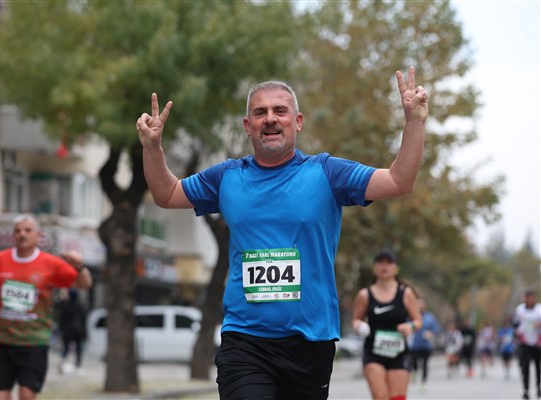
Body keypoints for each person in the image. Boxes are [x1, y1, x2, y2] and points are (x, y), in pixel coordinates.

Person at [136, 66, 428, 400]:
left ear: (298, 121)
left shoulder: (327, 173)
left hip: (310, 342)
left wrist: (414, 122)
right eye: (260, 112)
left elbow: (399, 181)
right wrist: (152, 148)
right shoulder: (226, 177)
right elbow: (167, 194)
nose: (270, 119)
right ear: (248, 125)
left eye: (280, 110)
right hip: (245, 339)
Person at [0, 214, 93, 400]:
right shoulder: (0, 259)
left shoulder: (51, 263)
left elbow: (84, 284)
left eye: (27, 230)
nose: (22, 234)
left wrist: (80, 266)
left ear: (39, 235)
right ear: (13, 235)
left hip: (34, 341)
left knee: (26, 395)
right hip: (1, 339)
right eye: (18, 231)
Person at [352, 251, 422, 400]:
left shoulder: (406, 293)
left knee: (397, 398)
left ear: (396, 268)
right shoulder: (365, 294)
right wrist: (359, 326)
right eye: (381, 262)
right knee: (380, 397)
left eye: (389, 263)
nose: (385, 266)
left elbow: (418, 321)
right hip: (373, 353)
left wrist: (410, 326)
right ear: (375, 267)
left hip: (399, 352)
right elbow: (356, 319)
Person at [514, 291, 541, 399]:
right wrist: (516, 332)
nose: (529, 300)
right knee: (525, 367)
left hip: (538, 342)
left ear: (534, 298)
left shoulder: (539, 310)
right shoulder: (520, 309)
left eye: (531, 298)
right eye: (527, 298)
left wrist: (538, 325)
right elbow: (516, 323)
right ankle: (526, 390)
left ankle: (538, 388)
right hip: (524, 342)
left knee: (538, 367)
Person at [409, 299, 440, 389]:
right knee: (413, 362)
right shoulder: (411, 316)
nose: (420, 307)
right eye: (418, 305)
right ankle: (414, 373)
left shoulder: (430, 317)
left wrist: (431, 333)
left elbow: (436, 329)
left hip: (426, 346)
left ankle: (423, 382)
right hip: (414, 345)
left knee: (425, 364)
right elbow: (407, 325)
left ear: (425, 306)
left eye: (422, 305)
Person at [56, 288, 87, 374]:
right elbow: (83, 320)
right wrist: (85, 333)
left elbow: (61, 318)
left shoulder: (65, 306)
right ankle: (78, 365)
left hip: (67, 331)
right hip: (78, 331)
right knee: (78, 349)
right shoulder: (80, 306)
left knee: (66, 348)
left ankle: (63, 362)